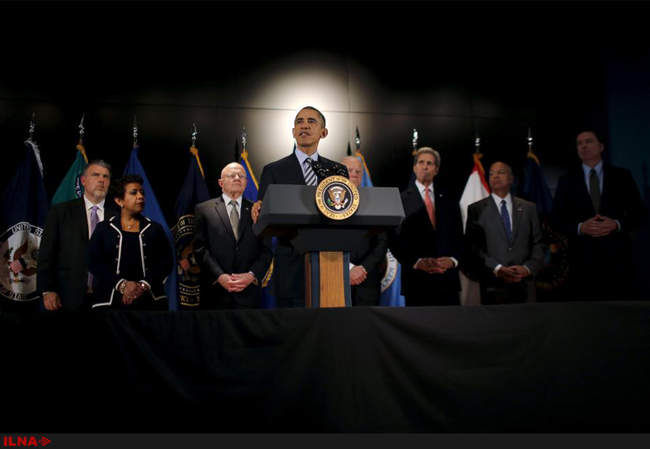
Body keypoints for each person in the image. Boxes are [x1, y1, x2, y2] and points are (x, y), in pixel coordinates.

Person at [251, 106, 348, 308]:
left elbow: (344, 214)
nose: (304, 125)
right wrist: (260, 210)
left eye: (311, 121)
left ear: (324, 132)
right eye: (299, 121)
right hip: (289, 266)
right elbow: (263, 218)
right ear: (293, 131)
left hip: (329, 264)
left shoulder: (337, 171)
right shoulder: (273, 170)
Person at [551, 129, 645, 300]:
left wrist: (616, 224)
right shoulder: (566, 180)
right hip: (582, 260)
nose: (583, 146)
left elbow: (638, 213)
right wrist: (581, 227)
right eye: (579, 143)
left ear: (601, 146)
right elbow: (556, 219)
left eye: (588, 141)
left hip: (618, 258)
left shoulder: (622, 175)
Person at [37, 160, 118, 311]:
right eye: (96, 175)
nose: (101, 180)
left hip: (109, 299)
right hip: (67, 297)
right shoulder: (61, 212)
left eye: (105, 176)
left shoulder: (119, 215)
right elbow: (47, 254)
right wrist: (48, 289)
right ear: (83, 181)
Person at [389, 147, 463, 306]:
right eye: (421, 162)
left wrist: (453, 260)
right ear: (414, 167)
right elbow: (394, 240)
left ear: (436, 169)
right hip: (416, 281)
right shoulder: (400, 199)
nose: (425, 166)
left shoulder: (449, 199)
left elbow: (459, 236)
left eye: (430, 163)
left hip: (447, 280)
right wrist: (416, 262)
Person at [193, 162, 272, 309]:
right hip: (215, 293)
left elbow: (266, 250)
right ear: (220, 183)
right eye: (232, 175)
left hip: (249, 295)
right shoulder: (204, 210)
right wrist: (219, 276)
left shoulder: (258, 211)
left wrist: (251, 275)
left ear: (246, 183)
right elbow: (200, 249)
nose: (237, 178)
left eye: (241, 176)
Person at [465, 161, 546, 304]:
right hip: (492, 285)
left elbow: (538, 243)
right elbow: (473, 247)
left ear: (511, 178)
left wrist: (527, 268)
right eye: (491, 174)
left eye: (501, 172)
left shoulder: (529, 208)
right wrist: (497, 268)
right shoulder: (476, 209)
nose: (495, 176)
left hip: (525, 285)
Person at [87, 175, 172, 310]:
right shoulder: (103, 228)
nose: (140, 196)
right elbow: (94, 262)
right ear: (119, 201)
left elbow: (166, 263)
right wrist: (123, 285)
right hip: (108, 304)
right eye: (134, 193)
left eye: (142, 193)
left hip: (150, 303)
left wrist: (142, 286)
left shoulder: (155, 228)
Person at [341, 156, 387, 306]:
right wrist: (348, 268)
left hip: (367, 281)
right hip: (337, 279)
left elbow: (381, 243)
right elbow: (324, 240)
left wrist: (363, 268)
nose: (354, 174)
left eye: (358, 171)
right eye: (350, 170)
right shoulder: (326, 202)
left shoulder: (375, 203)